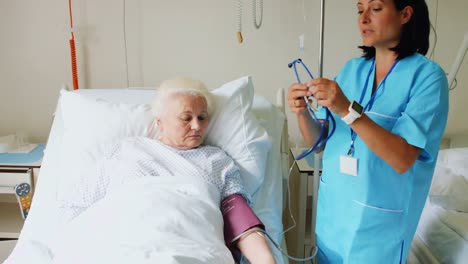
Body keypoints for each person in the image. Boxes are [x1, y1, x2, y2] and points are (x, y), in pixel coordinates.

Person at [287, 0, 449, 263]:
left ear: (405, 14)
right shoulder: (353, 69)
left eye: (375, 8)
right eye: (359, 9)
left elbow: (402, 158)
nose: (363, 19)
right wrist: (301, 112)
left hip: (379, 230)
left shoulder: (428, 77)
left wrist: (347, 110)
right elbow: (319, 143)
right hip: (333, 221)